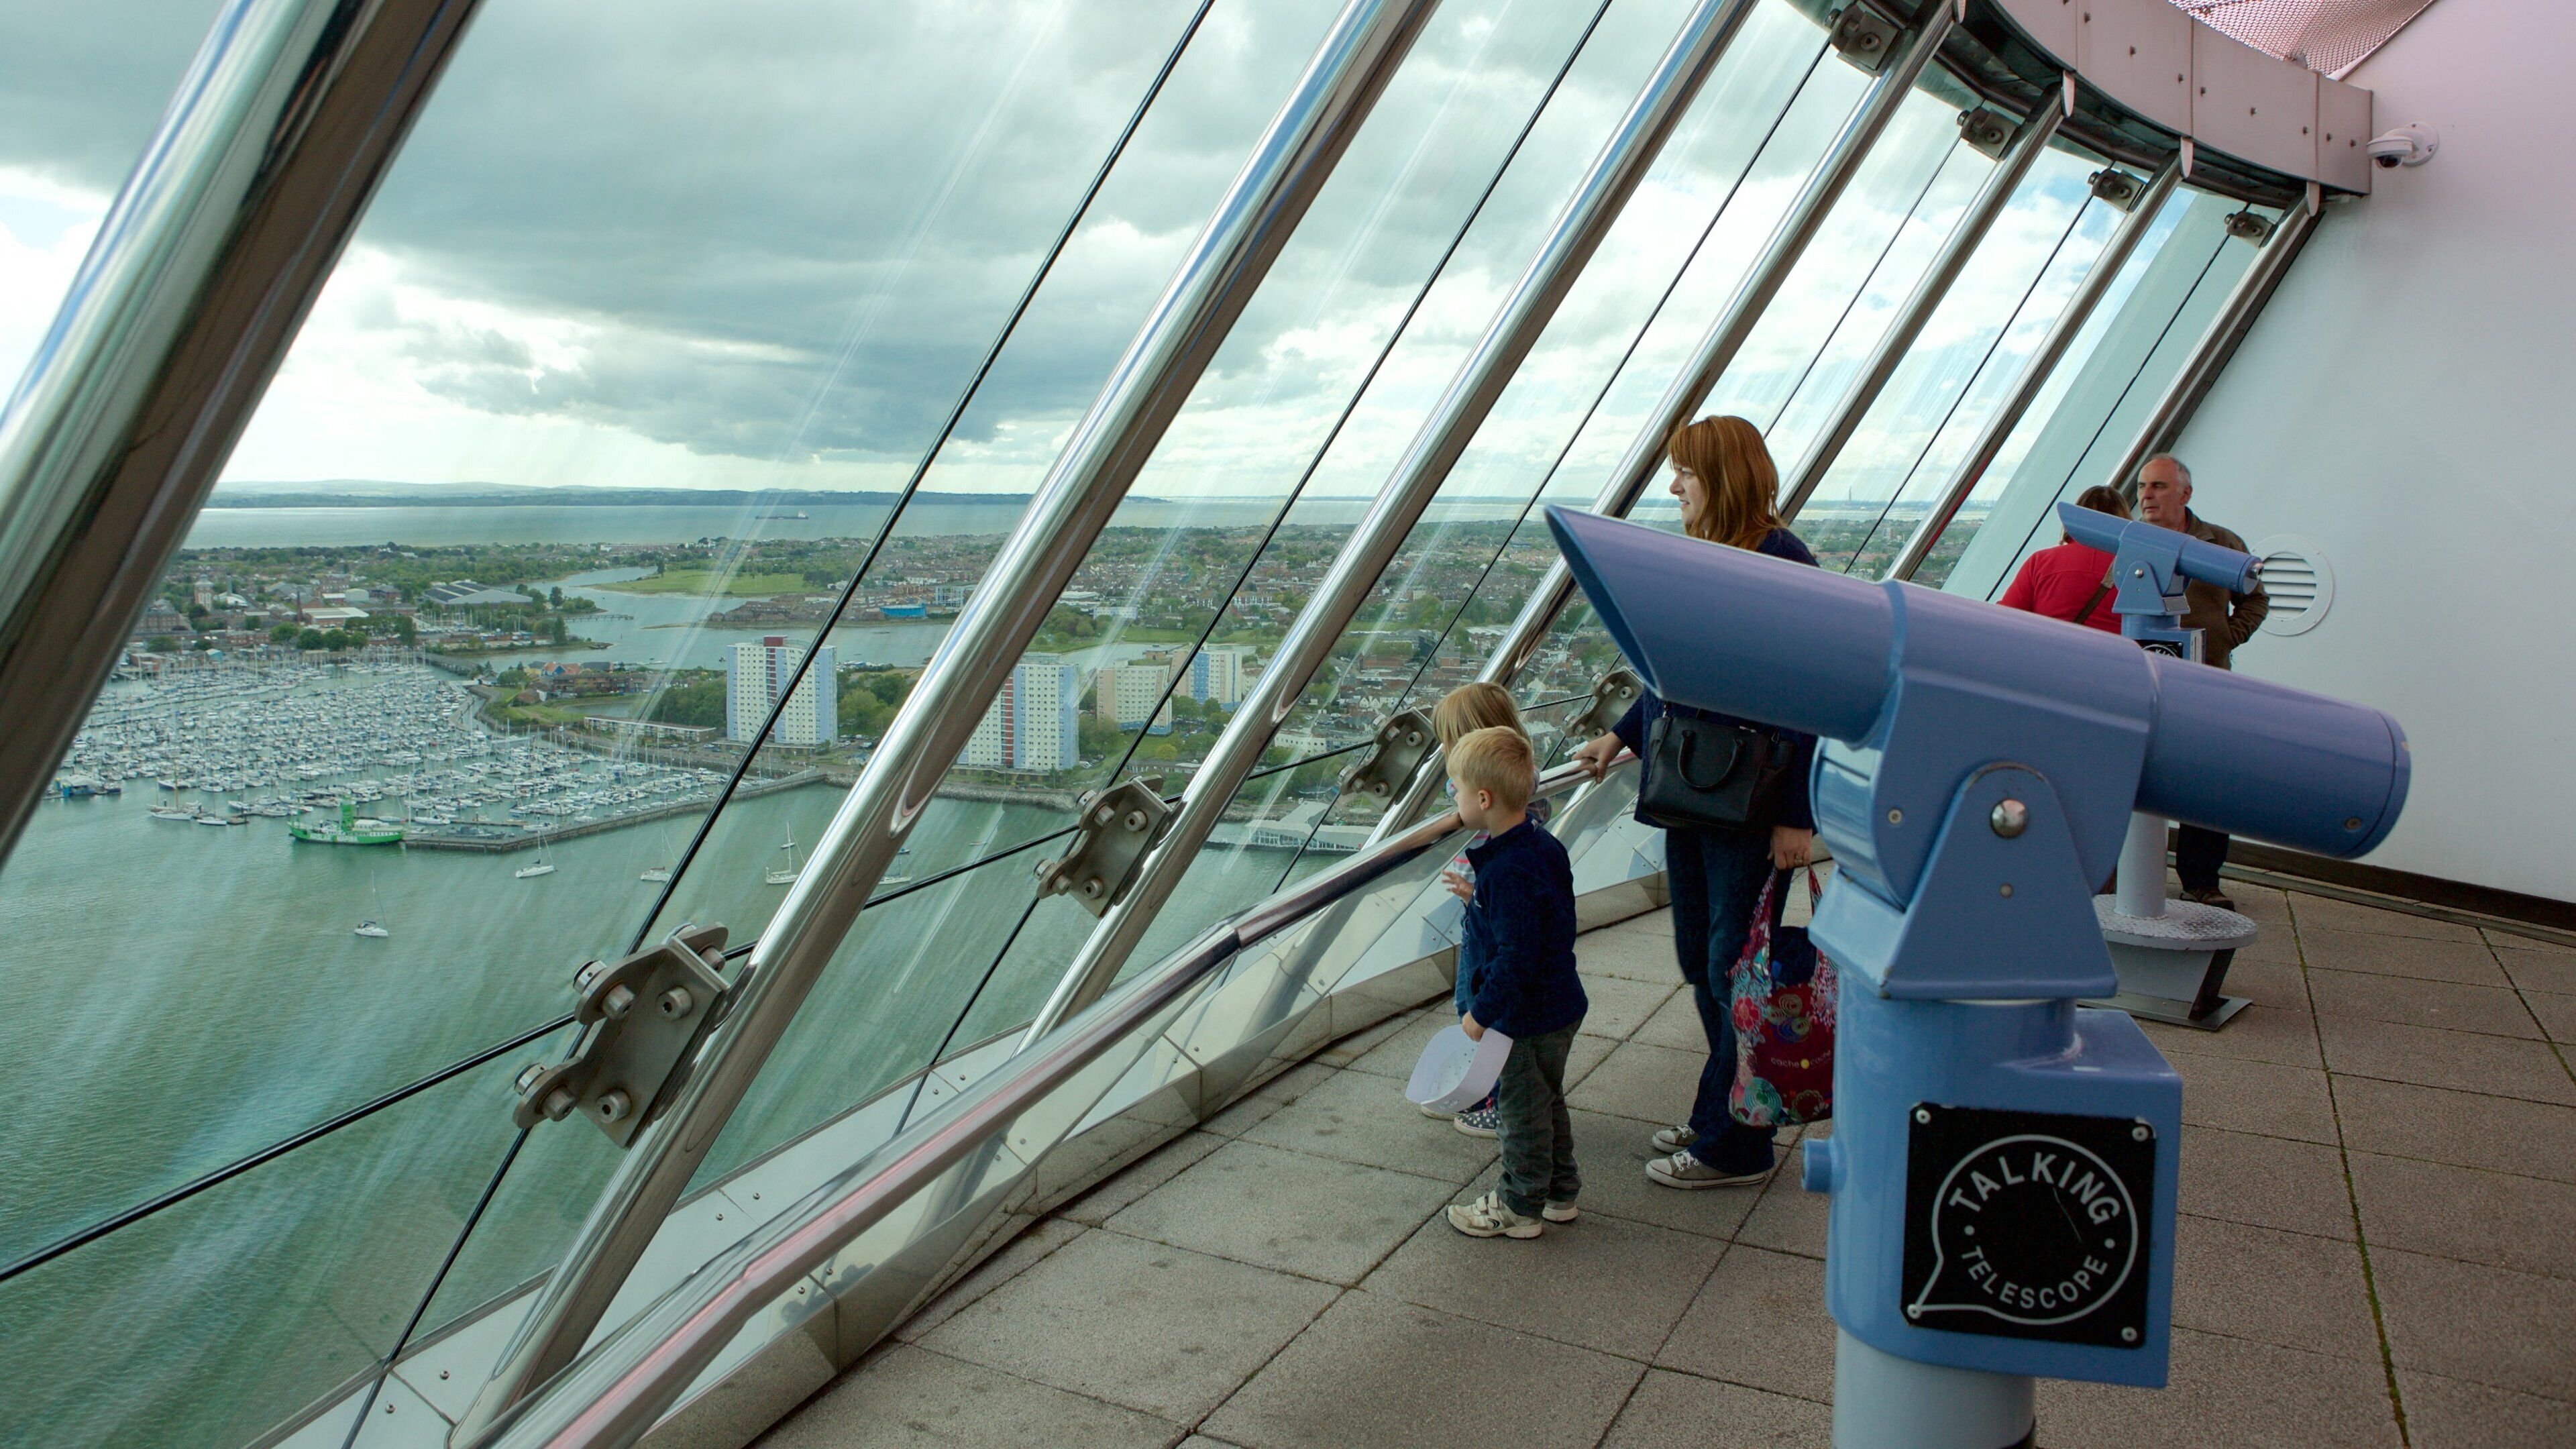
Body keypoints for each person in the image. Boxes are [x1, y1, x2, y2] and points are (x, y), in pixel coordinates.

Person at [1571, 415, 1815, 1191]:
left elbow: (1816, 697)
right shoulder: (1708, 556)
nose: (1674, 488)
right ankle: (1729, 1102)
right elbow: (1670, 673)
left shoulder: (1784, 564)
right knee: (1700, 961)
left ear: (1725, 477)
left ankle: (1737, 1140)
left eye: (1687, 473)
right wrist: (1621, 737)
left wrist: (1798, 815)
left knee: (1729, 965)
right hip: (1697, 794)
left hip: (1751, 804)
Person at [1444, 727, 1586, 1239]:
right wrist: (1476, 900)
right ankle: (1559, 1191)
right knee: (1546, 1099)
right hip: (1560, 1001)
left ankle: (1519, 1204)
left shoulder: (1507, 872)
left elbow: (1516, 958)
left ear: (1483, 799)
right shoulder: (1543, 848)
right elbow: (1544, 927)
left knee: (1520, 1110)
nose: (1453, 798)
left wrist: (1481, 1013)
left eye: (1455, 789)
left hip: (1528, 1015)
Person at [2135, 454, 2267, 909]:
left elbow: (2255, 599)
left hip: (2207, 681)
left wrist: (2228, 637)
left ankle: (2201, 880)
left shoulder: (2221, 543)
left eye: (2158, 487)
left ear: (2185, 494)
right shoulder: (2132, 542)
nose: (2147, 496)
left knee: (2209, 779)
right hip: (2143, 679)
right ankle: (2121, 875)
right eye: (2142, 487)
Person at [1426, 682, 1548, 1138]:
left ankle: (1496, 1098)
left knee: (1477, 999)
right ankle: (1484, 1089)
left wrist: (1475, 897)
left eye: (1450, 741)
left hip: (1484, 907)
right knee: (1477, 994)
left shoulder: (1491, 793)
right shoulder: (1521, 780)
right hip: (1479, 900)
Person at [1998, 486, 2131, 633]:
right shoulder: (2135, 570)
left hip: (2049, 653)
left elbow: (2005, 619)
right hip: (2110, 655)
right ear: (2123, 522)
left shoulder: (2041, 562)